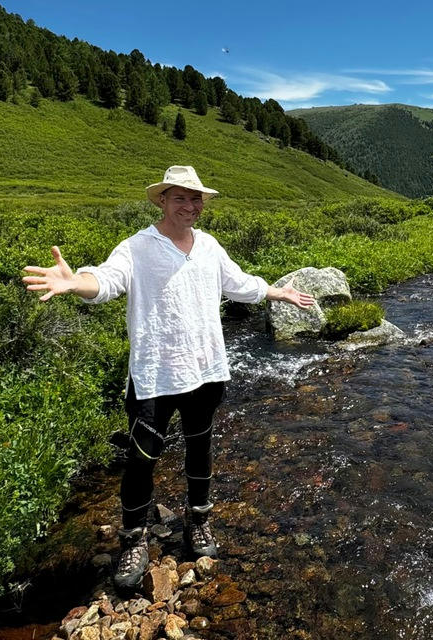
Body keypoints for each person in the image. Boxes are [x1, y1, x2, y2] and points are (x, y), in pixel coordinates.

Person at [22, 165, 315, 590]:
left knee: (201, 450)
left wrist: (278, 291)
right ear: (162, 200)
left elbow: (239, 284)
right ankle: (134, 539)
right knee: (142, 459)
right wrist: (76, 283)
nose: (191, 206)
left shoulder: (209, 246)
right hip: (155, 376)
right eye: (181, 198)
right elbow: (106, 279)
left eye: (196, 199)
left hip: (206, 370)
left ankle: (198, 521)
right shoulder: (137, 247)